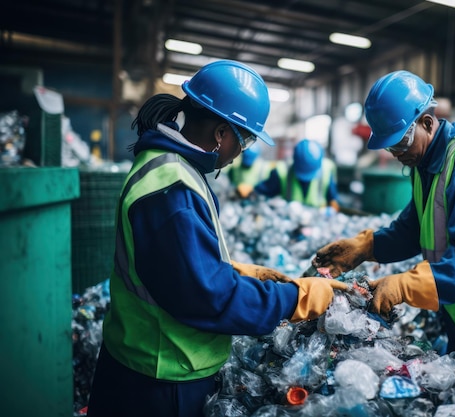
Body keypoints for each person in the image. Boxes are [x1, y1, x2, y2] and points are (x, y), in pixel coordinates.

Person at [86, 60, 347, 417]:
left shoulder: (171, 167)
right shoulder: (171, 188)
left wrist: (241, 272)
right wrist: (295, 298)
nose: (242, 151)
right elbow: (206, 296)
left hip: (149, 360)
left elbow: (176, 265)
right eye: (246, 139)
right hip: (161, 375)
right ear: (222, 133)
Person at [313, 70, 455, 386]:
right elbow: (412, 230)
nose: (398, 154)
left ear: (427, 122)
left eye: (402, 141)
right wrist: (364, 247)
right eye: (391, 146)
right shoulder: (425, 165)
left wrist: (405, 285)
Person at [239, 138, 340, 210]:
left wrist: (331, 209)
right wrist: (250, 193)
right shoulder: (282, 172)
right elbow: (262, 191)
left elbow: (332, 200)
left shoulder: (327, 171)